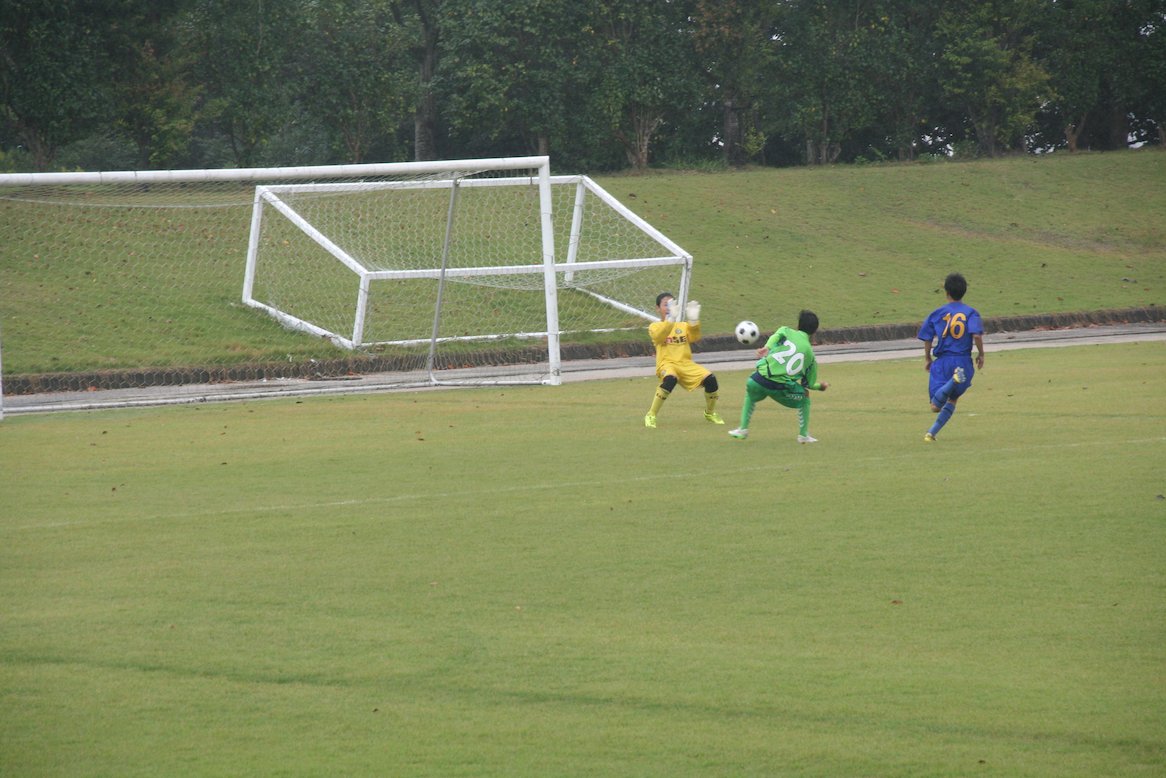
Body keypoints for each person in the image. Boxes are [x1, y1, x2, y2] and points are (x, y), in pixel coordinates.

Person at [728, 310, 829, 443]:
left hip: (757, 380)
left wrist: (767, 347)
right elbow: (808, 384)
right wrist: (820, 387)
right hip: (780, 389)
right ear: (814, 332)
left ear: (798, 325)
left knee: (750, 394)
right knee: (805, 396)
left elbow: (776, 336)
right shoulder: (810, 356)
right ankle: (803, 435)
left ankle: (743, 429)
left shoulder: (785, 331)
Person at [918, 272, 985, 442]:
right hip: (963, 360)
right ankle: (931, 433)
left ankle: (931, 433)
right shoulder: (971, 313)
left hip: (943, 362)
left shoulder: (937, 313)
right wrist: (981, 354)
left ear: (946, 292)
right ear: (964, 291)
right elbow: (976, 335)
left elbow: (927, 337)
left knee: (935, 405)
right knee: (952, 398)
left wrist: (927, 358)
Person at [644, 292, 724, 428]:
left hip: (686, 364)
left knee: (711, 380)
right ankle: (651, 414)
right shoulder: (654, 327)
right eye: (666, 305)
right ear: (658, 308)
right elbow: (659, 337)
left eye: (672, 304)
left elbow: (695, 337)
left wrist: (693, 322)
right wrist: (670, 320)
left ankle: (710, 413)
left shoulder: (682, 326)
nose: (669, 307)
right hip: (667, 364)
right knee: (670, 379)